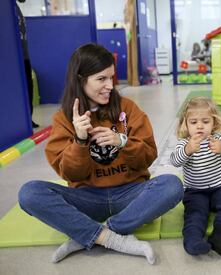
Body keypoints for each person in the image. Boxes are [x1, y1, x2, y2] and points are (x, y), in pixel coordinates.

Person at [18, 43, 183, 264]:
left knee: (172, 185)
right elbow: (70, 174)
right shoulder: (63, 119)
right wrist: (80, 140)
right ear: (81, 79)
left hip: (130, 194)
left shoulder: (128, 108)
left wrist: (121, 142)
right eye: (101, 79)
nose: (110, 86)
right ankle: (109, 237)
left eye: (111, 78)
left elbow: (149, 155)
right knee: (29, 193)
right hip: (87, 198)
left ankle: (93, 234)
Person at [170, 97, 221, 257]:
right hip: (195, 192)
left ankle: (220, 236)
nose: (199, 126)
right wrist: (187, 150)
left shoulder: (218, 139)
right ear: (185, 124)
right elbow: (174, 161)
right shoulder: (184, 143)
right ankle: (193, 241)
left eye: (205, 121)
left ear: (214, 123)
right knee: (195, 214)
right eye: (193, 122)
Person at [16, 0, 39, 128]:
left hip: (24, 57)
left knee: (29, 88)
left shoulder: (17, 8)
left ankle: (28, 119)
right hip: (15, 59)